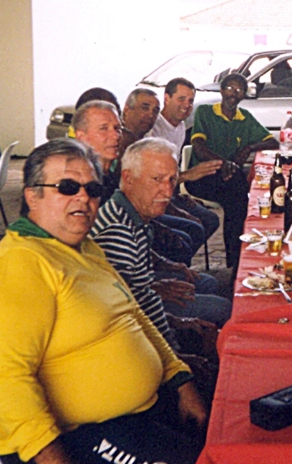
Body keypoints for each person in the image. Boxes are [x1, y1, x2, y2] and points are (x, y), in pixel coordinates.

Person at [0, 138, 207, 464]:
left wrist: (180, 378)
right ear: (33, 195)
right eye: (66, 186)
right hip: (83, 440)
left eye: (92, 188)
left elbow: (134, 317)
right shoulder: (17, 267)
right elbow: (3, 379)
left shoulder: (84, 247)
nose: (83, 197)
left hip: (140, 413)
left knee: (236, 421)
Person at [91, 137, 232, 329]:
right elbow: (128, 310)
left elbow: (139, 256)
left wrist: (169, 265)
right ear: (128, 178)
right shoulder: (118, 233)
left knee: (206, 282)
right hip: (133, 308)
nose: (167, 191)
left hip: (139, 286)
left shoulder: (128, 208)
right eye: (156, 179)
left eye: (172, 180)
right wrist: (178, 325)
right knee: (223, 308)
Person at [187, 73, 278, 268]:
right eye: (229, 88)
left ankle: (236, 261)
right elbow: (198, 147)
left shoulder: (245, 118)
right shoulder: (206, 112)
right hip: (200, 176)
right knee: (238, 194)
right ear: (221, 90)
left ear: (244, 95)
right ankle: (237, 260)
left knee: (236, 195)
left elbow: (273, 141)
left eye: (239, 90)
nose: (233, 94)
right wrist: (224, 164)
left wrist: (248, 148)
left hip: (228, 179)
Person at [146, 77, 222, 247]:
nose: (187, 105)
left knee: (211, 220)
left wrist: (178, 194)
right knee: (193, 227)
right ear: (166, 98)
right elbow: (153, 179)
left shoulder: (180, 127)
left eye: (190, 101)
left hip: (170, 195)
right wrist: (189, 175)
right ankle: (173, 265)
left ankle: (180, 262)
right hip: (153, 199)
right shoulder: (153, 127)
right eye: (181, 99)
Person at [72, 100, 123, 202]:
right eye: (104, 128)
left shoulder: (114, 179)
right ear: (82, 137)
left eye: (117, 128)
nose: (116, 136)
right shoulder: (77, 184)